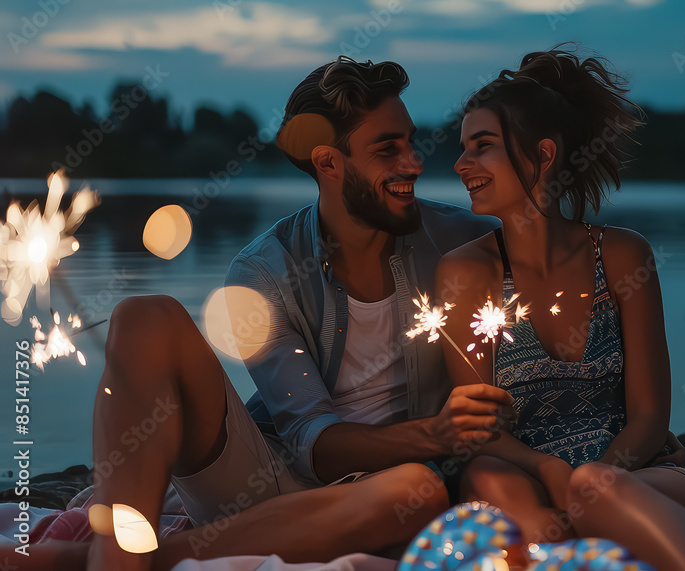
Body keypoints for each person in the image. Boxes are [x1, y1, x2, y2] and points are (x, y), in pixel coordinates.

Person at [37, 56, 509, 571]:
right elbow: (311, 443)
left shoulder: (462, 242)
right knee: (142, 316)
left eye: (410, 141)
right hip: (269, 481)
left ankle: (100, 560)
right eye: (387, 149)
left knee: (418, 487)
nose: (414, 163)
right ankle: (115, 559)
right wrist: (433, 435)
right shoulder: (264, 271)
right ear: (329, 163)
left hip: (388, 492)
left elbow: (561, 255)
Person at [435, 46, 685, 570]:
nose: (461, 163)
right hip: (521, 476)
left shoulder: (624, 255)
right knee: (492, 483)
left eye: (482, 146)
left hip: (635, 476)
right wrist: (550, 470)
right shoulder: (466, 273)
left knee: (594, 486)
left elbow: (651, 416)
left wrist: (595, 480)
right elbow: (479, 426)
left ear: (542, 155)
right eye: (463, 147)